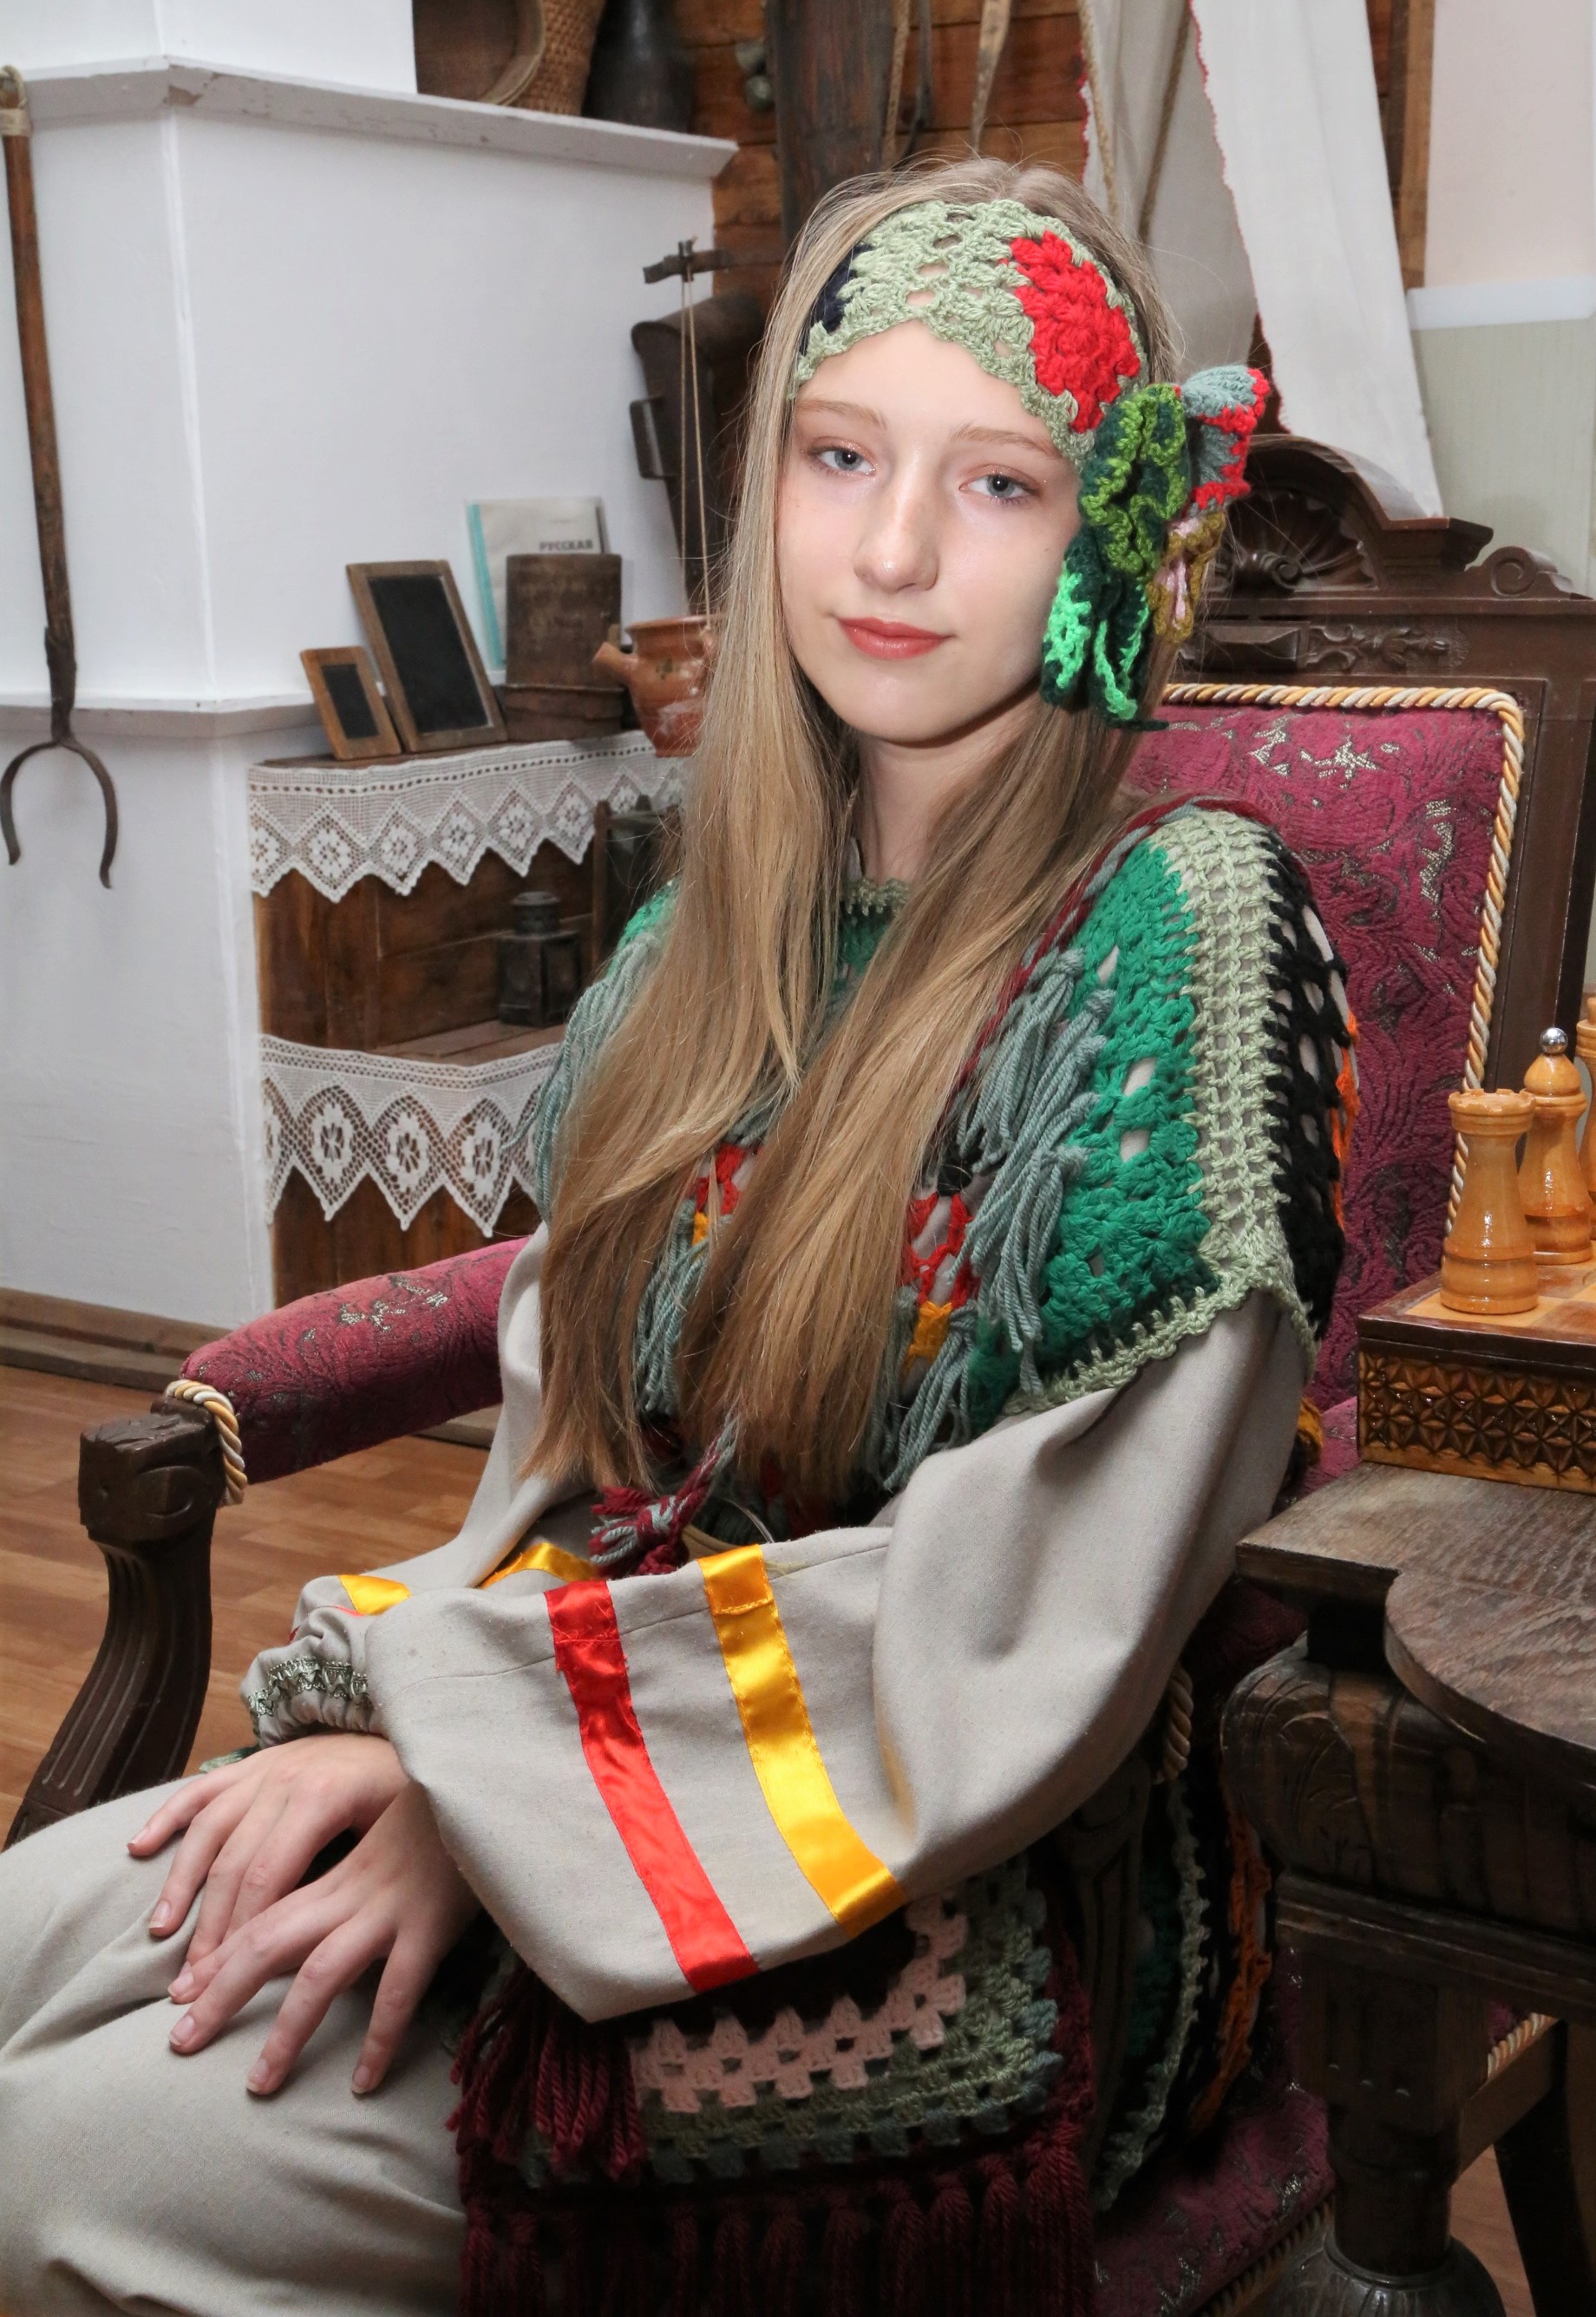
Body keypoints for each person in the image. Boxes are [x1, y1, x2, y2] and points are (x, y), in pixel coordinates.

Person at [0, 155, 1352, 2317]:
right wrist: (407, 1740)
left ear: (1102, 537)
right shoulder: (686, 952)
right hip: (584, 1726)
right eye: (840, 458)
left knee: (62, 2162)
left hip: (974, 1878)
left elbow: (1027, 1625)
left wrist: (492, 1802)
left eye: (995, 485)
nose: (888, 553)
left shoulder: (1175, 941)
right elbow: (570, 1466)